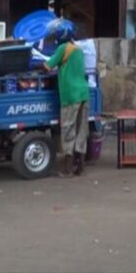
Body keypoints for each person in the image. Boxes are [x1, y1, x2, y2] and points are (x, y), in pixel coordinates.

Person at [41, 19, 90, 178]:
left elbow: (48, 66)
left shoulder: (63, 48)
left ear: (61, 34)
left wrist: (35, 64)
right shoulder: (78, 49)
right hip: (84, 93)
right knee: (81, 129)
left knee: (68, 129)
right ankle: (80, 167)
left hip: (70, 95)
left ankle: (68, 169)